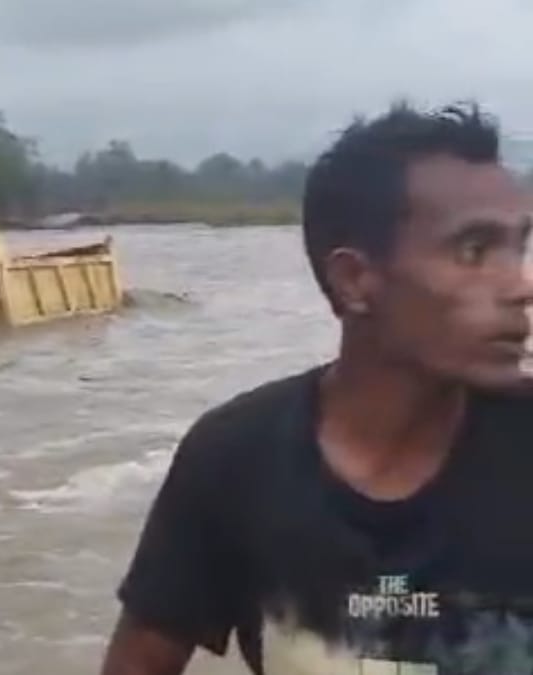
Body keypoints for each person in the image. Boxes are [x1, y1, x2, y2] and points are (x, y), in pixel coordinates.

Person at [100, 101, 533, 674]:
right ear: (355, 280)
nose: (522, 285)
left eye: (521, 246)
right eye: (474, 251)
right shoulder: (235, 459)